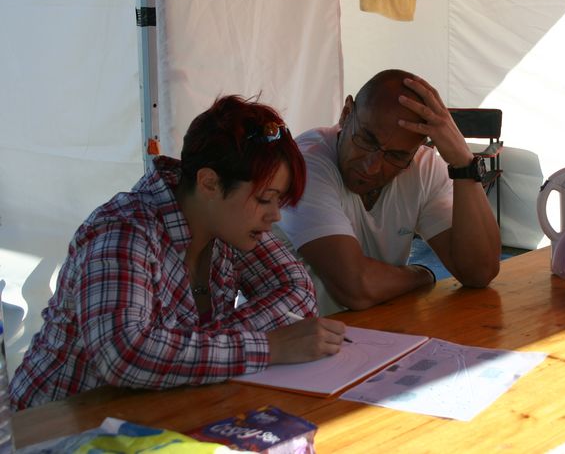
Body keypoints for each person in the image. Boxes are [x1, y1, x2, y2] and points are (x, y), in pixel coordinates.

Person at [10, 95, 347, 411]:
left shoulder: (225, 222)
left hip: (144, 415)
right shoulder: (123, 232)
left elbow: (297, 291)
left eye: (279, 200)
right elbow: (125, 354)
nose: (275, 215)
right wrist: (271, 348)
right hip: (50, 428)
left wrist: (185, 351)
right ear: (209, 183)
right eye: (264, 199)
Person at [277, 69, 501, 313]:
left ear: (416, 150)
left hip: (372, 334)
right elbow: (356, 288)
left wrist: (464, 164)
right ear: (346, 113)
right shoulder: (306, 165)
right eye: (366, 140)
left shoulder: (422, 166)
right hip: (290, 344)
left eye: (396, 156)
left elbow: (479, 272)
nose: (371, 167)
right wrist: (421, 275)